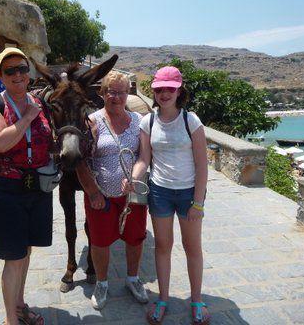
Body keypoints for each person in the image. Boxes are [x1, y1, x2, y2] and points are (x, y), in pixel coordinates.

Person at [123, 66, 209, 324]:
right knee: (162, 247)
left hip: (188, 193)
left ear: (178, 90)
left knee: (192, 247)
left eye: (169, 88)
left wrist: (198, 202)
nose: (164, 93)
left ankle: (196, 300)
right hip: (160, 191)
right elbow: (144, 159)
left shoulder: (190, 121)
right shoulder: (147, 121)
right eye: (159, 89)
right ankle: (163, 299)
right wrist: (133, 178)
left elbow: (202, 165)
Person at [0, 47, 52, 325]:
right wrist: (26, 118)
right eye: (10, 71)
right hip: (6, 191)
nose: (18, 75)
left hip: (36, 189)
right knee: (14, 257)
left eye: (22, 68)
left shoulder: (38, 102)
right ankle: (11, 320)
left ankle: (20, 306)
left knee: (26, 251)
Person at [76, 71, 149, 310]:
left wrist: (134, 178)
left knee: (135, 238)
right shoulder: (92, 122)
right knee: (99, 241)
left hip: (132, 195)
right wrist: (93, 192)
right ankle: (102, 283)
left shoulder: (138, 121)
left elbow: (143, 156)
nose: (116, 97)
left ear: (128, 94)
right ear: (102, 93)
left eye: (121, 92)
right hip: (101, 196)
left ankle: (133, 279)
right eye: (111, 91)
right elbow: (81, 160)